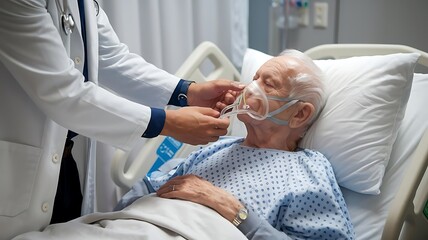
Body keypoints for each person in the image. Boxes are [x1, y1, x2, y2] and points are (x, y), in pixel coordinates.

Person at [0, 0, 243, 239]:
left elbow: (112, 58)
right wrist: (168, 123)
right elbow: (62, 92)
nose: (255, 90)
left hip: (64, 164)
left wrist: (186, 92)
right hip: (16, 171)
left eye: (270, 83)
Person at [115, 49, 356, 239]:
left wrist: (235, 212)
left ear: (300, 114)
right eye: (254, 79)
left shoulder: (308, 172)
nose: (249, 89)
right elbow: (141, 193)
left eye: (268, 84)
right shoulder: (214, 148)